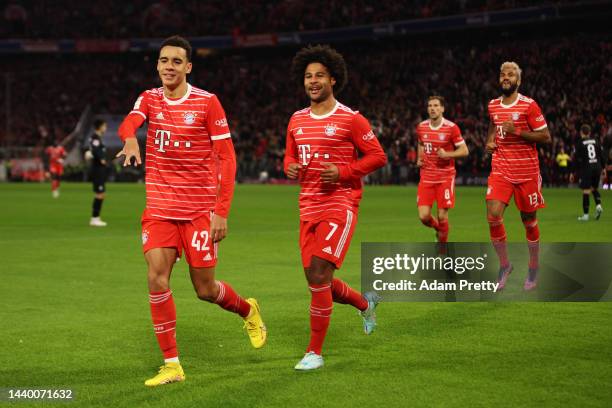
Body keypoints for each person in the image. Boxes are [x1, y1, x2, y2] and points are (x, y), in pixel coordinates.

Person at [115, 35, 266, 387]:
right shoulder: (149, 98)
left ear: (188, 67)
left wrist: (221, 211)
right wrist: (130, 137)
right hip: (160, 209)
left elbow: (228, 158)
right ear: (157, 65)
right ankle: (172, 365)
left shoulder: (207, 103)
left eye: (176, 61)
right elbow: (128, 123)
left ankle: (248, 310)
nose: (169, 66)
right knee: (156, 277)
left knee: (205, 289)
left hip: (199, 211)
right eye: (164, 60)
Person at [284, 45, 387, 371]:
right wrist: (288, 166)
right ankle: (364, 303)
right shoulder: (296, 120)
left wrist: (344, 172)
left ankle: (314, 352)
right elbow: (290, 155)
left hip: (340, 203)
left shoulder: (351, 119)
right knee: (319, 282)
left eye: (319, 76)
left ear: (333, 79)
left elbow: (377, 156)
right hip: (307, 205)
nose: (313, 81)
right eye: (308, 76)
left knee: (318, 274)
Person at [485, 61, 551, 291]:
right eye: (503, 74)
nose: (506, 77)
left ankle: (533, 267)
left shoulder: (529, 105)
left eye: (511, 74)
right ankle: (505, 265)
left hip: (527, 173)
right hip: (501, 169)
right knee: (493, 215)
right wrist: (490, 141)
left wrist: (518, 132)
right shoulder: (493, 105)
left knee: (529, 221)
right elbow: (493, 127)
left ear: (518, 80)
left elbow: (545, 136)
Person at [416, 96, 468, 243]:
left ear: (442, 108)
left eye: (436, 105)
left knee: (442, 215)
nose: (432, 108)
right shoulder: (421, 127)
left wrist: (448, 154)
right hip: (426, 176)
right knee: (424, 216)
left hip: (445, 177)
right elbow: (421, 143)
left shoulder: (451, 128)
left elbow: (464, 151)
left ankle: (442, 251)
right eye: (430, 106)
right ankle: (440, 230)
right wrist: (419, 158)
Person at [574, 124, 604, 221]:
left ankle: (586, 215)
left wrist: (573, 172)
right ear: (589, 132)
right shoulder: (596, 141)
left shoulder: (580, 143)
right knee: (594, 188)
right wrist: (603, 169)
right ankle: (598, 205)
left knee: (586, 190)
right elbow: (601, 155)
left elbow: (576, 158)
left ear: (581, 132)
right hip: (597, 167)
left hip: (588, 168)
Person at [87, 119, 109, 226]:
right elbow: (95, 149)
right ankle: (95, 218)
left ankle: (95, 218)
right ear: (100, 126)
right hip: (97, 169)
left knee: (101, 194)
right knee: (100, 194)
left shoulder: (98, 138)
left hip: (100, 169)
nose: (106, 128)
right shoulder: (95, 138)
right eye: (104, 126)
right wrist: (101, 159)